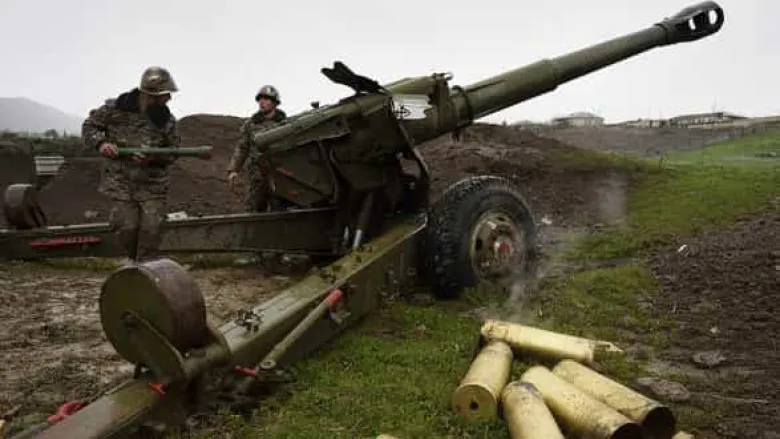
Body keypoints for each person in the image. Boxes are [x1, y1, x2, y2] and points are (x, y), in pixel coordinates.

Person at [81, 66, 181, 262]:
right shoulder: (114, 109)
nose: (169, 98)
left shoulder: (166, 121)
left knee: (152, 229)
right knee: (126, 226)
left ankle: (146, 269)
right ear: (151, 95)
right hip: (121, 182)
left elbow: (173, 151)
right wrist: (101, 143)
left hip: (152, 184)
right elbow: (89, 126)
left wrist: (153, 158)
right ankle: (133, 264)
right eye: (165, 94)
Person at [226, 85, 287, 212]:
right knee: (254, 210)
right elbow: (242, 148)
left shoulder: (285, 123)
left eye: (266, 99)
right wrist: (233, 170)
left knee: (280, 209)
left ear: (274, 102)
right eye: (260, 99)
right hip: (257, 176)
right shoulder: (251, 124)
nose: (262, 102)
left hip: (279, 175)